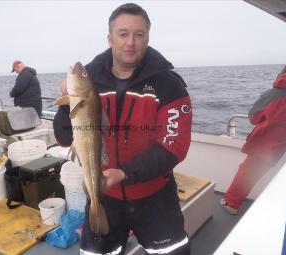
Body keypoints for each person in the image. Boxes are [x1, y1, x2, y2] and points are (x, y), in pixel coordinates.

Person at [54, 3, 192, 254]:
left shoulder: (169, 85)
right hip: (104, 196)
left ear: (147, 38)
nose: (131, 42)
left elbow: (174, 147)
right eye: (123, 33)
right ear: (110, 38)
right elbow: (64, 138)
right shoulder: (90, 79)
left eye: (139, 34)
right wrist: (67, 105)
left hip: (155, 197)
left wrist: (124, 173)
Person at [221, 62, 286, 215]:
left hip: (263, 145)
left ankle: (231, 204)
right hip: (281, 146)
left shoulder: (272, 94)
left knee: (246, 174)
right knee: (254, 173)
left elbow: (253, 117)